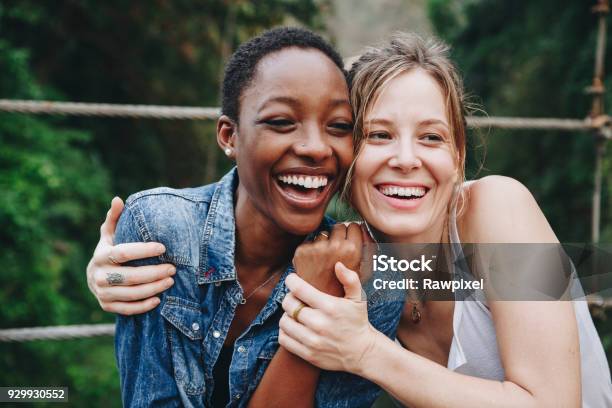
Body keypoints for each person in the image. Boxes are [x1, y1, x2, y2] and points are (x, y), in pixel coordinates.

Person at [278, 32, 612, 407]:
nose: (406, 159)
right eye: (379, 134)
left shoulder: (499, 207)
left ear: (457, 157)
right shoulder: (358, 269)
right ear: (345, 158)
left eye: (431, 137)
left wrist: (366, 352)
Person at [86, 27, 404, 407]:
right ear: (229, 136)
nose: (317, 148)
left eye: (338, 127)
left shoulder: (370, 283)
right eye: (281, 122)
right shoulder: (161, 230)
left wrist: (320, 298)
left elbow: (480, 271)